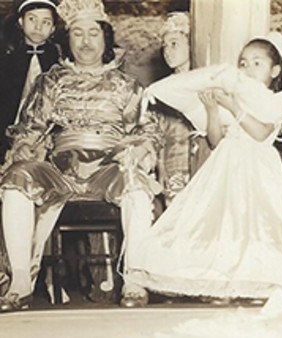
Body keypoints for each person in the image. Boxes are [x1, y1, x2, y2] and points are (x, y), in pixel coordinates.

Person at [0, 0, 164, 312]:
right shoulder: (50, 81)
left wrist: (135, 150)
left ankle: (135, 279)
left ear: (105, 38)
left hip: (109, 168)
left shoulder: (126, 84)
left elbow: (149, 130)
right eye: (77, 33)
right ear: (67, 40)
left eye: (93, 33)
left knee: (137, 184)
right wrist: (24, 146)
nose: (85, 41)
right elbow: (31, 126)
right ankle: (20, 281)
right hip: (60, 169)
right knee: (17, 177)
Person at [127, 33, 282, 303]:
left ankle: (259, 283)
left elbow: (260, 133)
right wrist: (212, 109)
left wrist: (233, 105)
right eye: (243, 63)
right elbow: (215, 140)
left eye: (257, 63)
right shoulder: (231, 97)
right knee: (221, 225)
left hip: (257, 167)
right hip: (227, 163)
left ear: (275, 70)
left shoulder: (276, 99)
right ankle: (221, 283)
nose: (248, 69)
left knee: (256, 227)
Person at [151, 12, 210, 207]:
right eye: (165, 46)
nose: (168, 51)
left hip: (207, 163)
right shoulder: (162, 90)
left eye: (174, 44)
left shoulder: (207, 82)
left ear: (191, 45)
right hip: (174, 167)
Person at [0, 0, 59, 164]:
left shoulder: (59, 64)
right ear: (21, 21)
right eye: (32, 19)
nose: (38, 27)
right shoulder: (6, 62)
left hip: (46, 139)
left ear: (53, 28)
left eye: (46, 22)